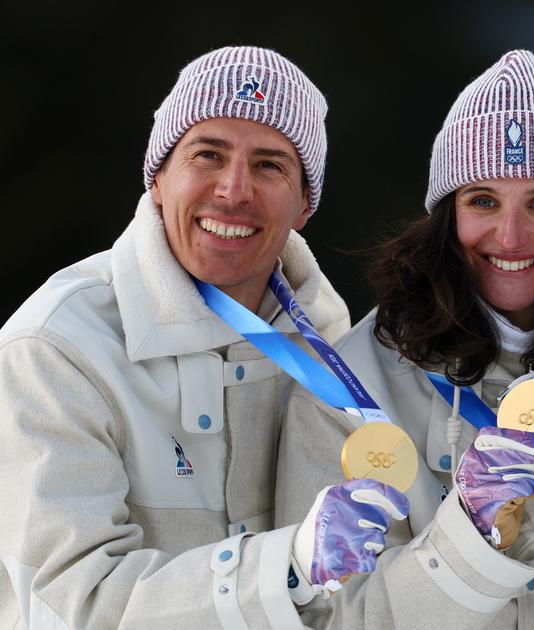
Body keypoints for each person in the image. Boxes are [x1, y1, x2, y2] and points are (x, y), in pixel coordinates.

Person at [0, 46, 400, 628]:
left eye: (269, 165)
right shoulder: (55, 348)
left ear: (305, 204)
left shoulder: (330, 348)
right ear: (159, 177)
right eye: (207, 155)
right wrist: (285, 565)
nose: (233, 190)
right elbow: (77, 603)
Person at [276, 49, 534, 628]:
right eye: (483, 201)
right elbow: (326, 617)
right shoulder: (347, 388)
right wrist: (464, 535)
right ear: (446, 217)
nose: (510, 235)